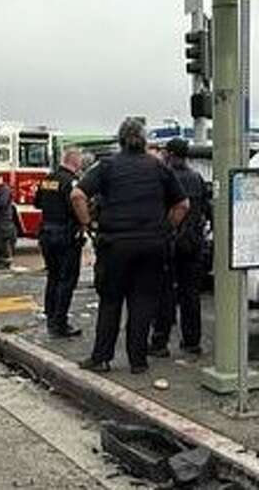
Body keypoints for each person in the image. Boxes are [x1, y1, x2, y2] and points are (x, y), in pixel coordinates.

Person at [71, 118, 189, 374]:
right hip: (152, 244)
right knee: (143, 301)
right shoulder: (159, 168)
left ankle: (102, 358)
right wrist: (166, 228)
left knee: (111, 301)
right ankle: (138, 361)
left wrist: (88, 223)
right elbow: (183, 205)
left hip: (115, 244)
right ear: (144, 140)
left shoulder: (107, 166)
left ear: (120, 139)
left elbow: (77, 195)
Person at [150, 138, 209, 357]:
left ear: (171, 154)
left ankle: (159, 342)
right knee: (190, 294)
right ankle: (192, 341)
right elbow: (205, 209)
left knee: (165, 293)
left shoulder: (164, 177)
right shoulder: (197, 178)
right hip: (193, 243)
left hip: (169, 241)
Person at [34, 147, 85, 338]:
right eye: (80, 162)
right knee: (67, 279)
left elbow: (37, 203)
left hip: (46, 233)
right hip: (65, 234)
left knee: (53, 276)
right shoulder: (71, 181)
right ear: (75, 162)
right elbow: (76, 206)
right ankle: (60, 323)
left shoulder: (48, 179)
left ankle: (50, 317)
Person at [0, 175, 16, 269]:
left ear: (0, 179)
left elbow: (3, 202)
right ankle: (0, 261)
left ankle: (7, 262)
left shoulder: (5, 189)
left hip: (4, 218)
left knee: (4, 240)